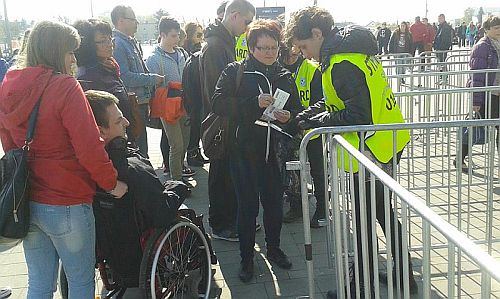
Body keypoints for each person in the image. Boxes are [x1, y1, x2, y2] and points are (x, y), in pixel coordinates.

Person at [284, 7, 417, 297]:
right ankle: (403, 277)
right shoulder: (348, 54)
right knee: (381, 211)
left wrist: (316, 123)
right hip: (384, 143)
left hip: (371, 150)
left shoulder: (341, 62)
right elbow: (337, 102)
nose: (304, 54)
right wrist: (305, 117)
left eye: (304, 46)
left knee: (365, 219)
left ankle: (359, 289)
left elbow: (358, 113)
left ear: (317, 34)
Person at [0, 20, 127, 298]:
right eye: (70, 52)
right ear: (56, 51)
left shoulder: (9, 85)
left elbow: (9, 146)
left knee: (39, 283)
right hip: (67, 198)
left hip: (27, 199)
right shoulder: (66, 87)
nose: (73, 59)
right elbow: (89, 146)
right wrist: (111, 183)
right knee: (81, 282)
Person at [212, 18, 301, 282]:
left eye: (273, 47)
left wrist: (290, 117)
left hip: (275, 151)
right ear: (251, 48)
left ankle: (274, 250)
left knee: (273, 205)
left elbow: (296, 110)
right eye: (263, 48)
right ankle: (246, 259)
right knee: (247, 207)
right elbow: (217, 103)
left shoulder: (284, 75)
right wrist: (253, 102)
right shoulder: (235, 71)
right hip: (243, 152)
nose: (269, 53)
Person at [199, 0, 255, 241]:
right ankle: (220, 224)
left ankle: (231, 219)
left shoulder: (222, 42)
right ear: (234, 15)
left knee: (228, 174)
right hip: (222, 122)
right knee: (221, 174)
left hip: (229, 120)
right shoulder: (214, 46)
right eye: (247, 21)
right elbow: (216, 94)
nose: (247, 28)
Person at [278, 45, 326, 227]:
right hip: (288, 130)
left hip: (310, 130)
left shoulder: (312, 69)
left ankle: (321, 208)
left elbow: (321, 102)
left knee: (318, 170)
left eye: (295, 46)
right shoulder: (277, 68)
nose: (291, 52)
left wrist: (303, 118)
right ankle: (296, 205)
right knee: (292, 171)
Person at [146, 17, 195, 187]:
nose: (177, 39)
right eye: (173, 36)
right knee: (177, 144)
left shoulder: (182, 53)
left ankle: (179, 171)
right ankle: (176, 180)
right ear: (162, 35)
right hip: (168, 106)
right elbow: (151, 86)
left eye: (178, 36)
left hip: (184, 103)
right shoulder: (153, 58)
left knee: (185, 142)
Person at [111, 5, 164, 157]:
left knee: (142, 147)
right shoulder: (118, 44)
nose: (137, 23)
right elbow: (125, 76)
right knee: (140, 150)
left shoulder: (130, 41)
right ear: (121, 21)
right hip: (131, 103)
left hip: (140, 102)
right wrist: (152, 79)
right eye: (133, 20)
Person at [72, 19, 134, 142]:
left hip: (123, 135)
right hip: (112, 142)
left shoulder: (108, 67)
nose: (109, 44)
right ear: (87, 45)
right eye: (102, 41)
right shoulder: (88, 76)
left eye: (110, 39)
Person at [455, 16, 500, 170]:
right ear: (487, 30)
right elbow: (477, 76)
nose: (499, 30)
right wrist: (476, 100)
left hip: (497, 94)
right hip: (489, 95)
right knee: (476, 128)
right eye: (496, 28)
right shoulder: (482, 47)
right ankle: (460, 157)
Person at [433, 14, 453, 84]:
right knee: (440, 63)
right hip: (438, 48)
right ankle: (441, 77)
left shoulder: (446, 27)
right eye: (438, 18)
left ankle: (444, 78)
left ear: (444, 19)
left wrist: (444, 47)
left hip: (443, 49)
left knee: (443, 63)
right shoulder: (439, 27)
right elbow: (437, 37)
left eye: (440, 18)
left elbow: (446, 39)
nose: (439, 20)